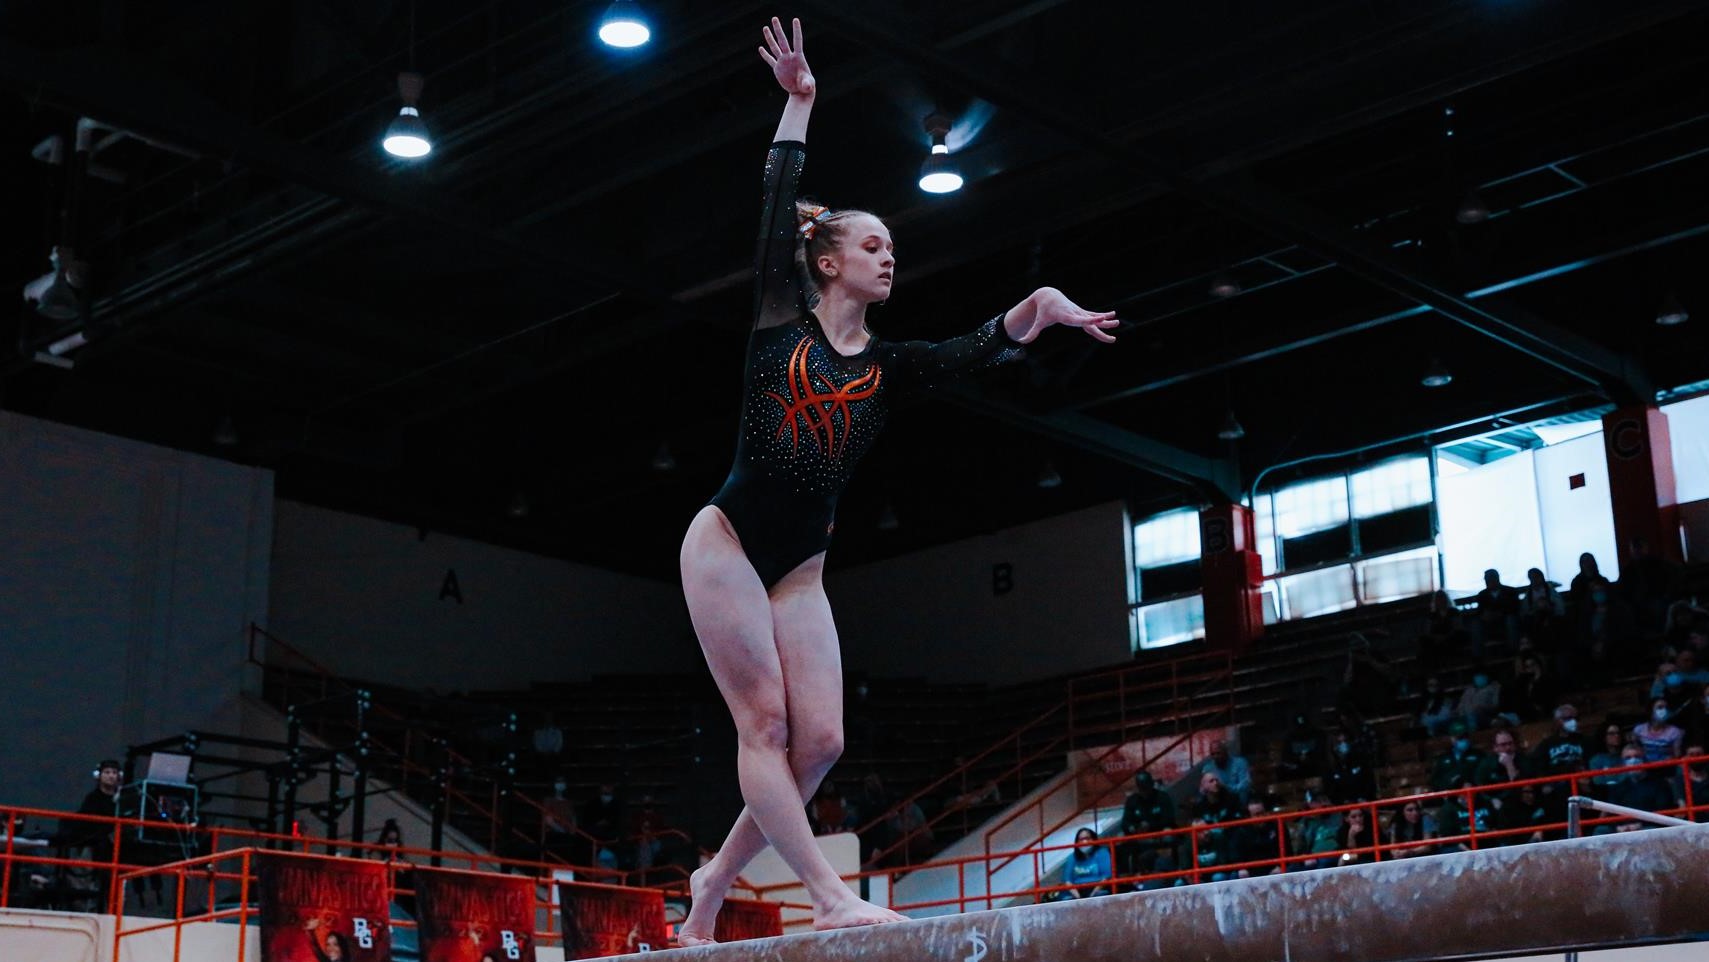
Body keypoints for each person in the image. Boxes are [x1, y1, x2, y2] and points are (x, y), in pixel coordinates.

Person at [674, 17, 1121, 944]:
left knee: (823, 743)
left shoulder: (892, 366)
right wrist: (798, 106)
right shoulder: (776, 318)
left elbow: (981, 347)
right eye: (873, 245)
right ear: (828, 261)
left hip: (800, 564)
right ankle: (825, 897)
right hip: (726, 541)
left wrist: (1037, 311)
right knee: (762, 725)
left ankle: (712, 882)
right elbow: (775, 201)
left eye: (893, 249)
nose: (890, 256)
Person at [1117, 771, 1177, 888]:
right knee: (1120, 841)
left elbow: (1169, 819)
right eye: (1141, 788)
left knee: (1168, 833)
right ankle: (1131, 876)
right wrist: (1133, 828)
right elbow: (1125, 822)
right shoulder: (1132, 801)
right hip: (1140, 836)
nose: (1144, 791)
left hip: (1159, 834)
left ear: (1151, 785)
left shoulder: (1162, 797)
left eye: (1146, 787)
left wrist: (1151, 826)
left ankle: (1168, 869)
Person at [1052, 828, 1113, 900]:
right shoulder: (1072, 857)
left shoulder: (1102, 853)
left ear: (1093, 839)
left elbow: (1106, 877)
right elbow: (1067, 880)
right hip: (1077, 890)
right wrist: (1079, 898)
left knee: (1102, 895)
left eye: (1087, 838)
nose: (1084, 841)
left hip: (1097, 888)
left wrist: (1092, 896)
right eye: (1081, 839)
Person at [1428, 723, 1485, 792]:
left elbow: (1485, 776)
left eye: (1465, 736)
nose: (1464, 740)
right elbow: (1435, 782)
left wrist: (1473, 784)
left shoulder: (1479, 755)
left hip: (1476, 794)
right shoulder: (1443, 759)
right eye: (1460, 737)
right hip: (1452, 797)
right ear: (1452, 739)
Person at [1201, 739, 1253, 804]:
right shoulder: (1208, 768)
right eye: (1213, 754)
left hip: (1241, 804)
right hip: (1219, 806)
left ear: (1226, 751)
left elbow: (1245, 785)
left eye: (1218, 753)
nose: (1215, 756)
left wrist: (1226, 787)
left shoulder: (1240, 763)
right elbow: (1203, 790)